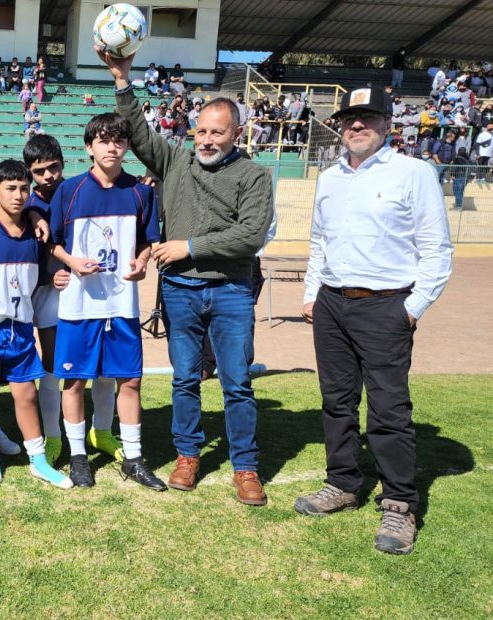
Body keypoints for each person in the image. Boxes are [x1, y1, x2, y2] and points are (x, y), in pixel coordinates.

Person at [104, 49, 273, 506]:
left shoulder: (255, 175)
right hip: (180, 290)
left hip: (231, 291)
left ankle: (245, 466)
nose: (206, 139)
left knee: (237, 382)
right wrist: (122, 81)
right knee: (184, 380)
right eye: (201, 130)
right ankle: (187, 456)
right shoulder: (176, 162)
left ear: (236, 133)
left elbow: (251, 234)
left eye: (217, 132)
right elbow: (138, 133)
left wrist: (190, 246)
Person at [297, 86, 453, 555]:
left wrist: (413, 306)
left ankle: (399, 504)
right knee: (337, 401)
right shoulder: (329, 177)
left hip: (386, 305)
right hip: (332, 303)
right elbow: (319, 240)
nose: (357, 125)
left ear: (387, 124)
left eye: (368, 117)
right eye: (350, 119)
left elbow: (436, 249)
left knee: (388, 408)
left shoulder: (414, 173)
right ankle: (343, 483)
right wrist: (311, 294)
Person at [47, 113, 166, 491]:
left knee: (129, 381)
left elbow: (147, 242)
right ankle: (79, 456)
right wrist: (70, 262)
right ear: (89, 147)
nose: (111, 147)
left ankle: (133, 458)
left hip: (121, 306)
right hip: (78, 306)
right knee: (75, 381)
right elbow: (50, 241)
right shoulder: (69, 190)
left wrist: (142, 262)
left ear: (127, 146)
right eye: (102, 140)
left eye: (117, 140)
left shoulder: (140, 192)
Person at [0, 160, 73, 489]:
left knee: (26, 394)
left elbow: (27, 275)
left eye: (24, 189)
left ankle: (38, 459)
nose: (18, 195)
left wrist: (51, 275)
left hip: (21, 326)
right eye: (10, 189)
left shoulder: (35, 231)